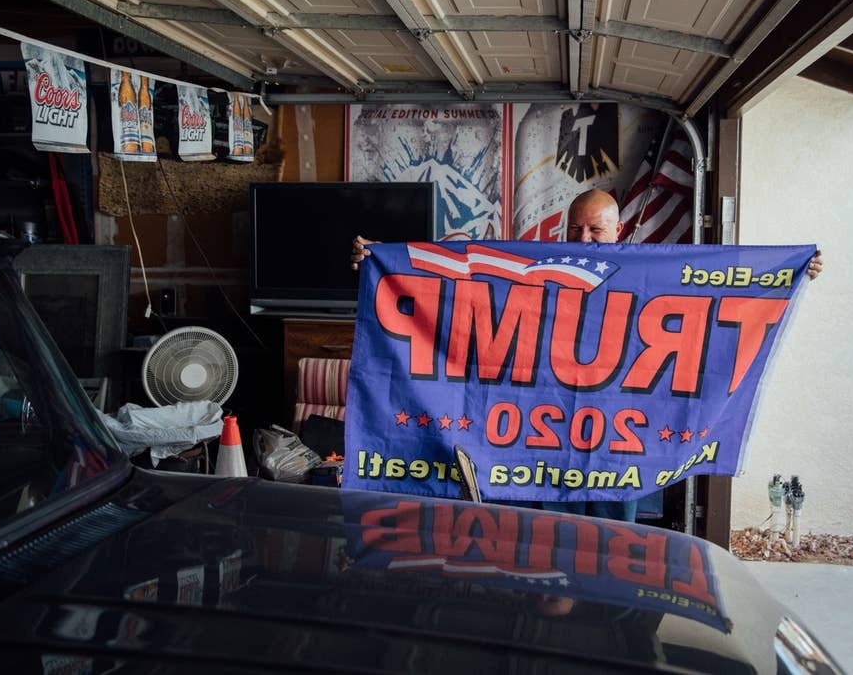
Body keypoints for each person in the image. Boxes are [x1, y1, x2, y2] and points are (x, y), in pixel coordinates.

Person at [351, 190, 823, 521]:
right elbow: (452, 277)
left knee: (613, 549)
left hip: (618, 447)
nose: (584, 239)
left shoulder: (654, 275)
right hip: (540, 443)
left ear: (619, 229)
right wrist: (379, 259)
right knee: (545, 547)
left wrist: (795, 271)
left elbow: (730, 288)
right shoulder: (529, 271)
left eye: (596, 229)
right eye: (575, 228)